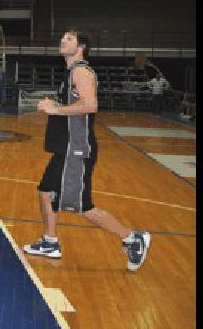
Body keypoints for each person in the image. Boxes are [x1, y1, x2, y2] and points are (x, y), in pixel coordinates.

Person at [24, 30, 152, 272]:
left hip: (77, 149)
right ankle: (50, 242)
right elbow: (77, 103)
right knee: (46, 192)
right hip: (66, 148)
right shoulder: (71, 72)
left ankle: (132, 238)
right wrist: (57, 104)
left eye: (69, 39)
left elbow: (90, 104)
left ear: (81, 47)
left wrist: (56, 109)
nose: (63, 40)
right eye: (63, 37)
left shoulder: (81, 71)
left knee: (83, 206)